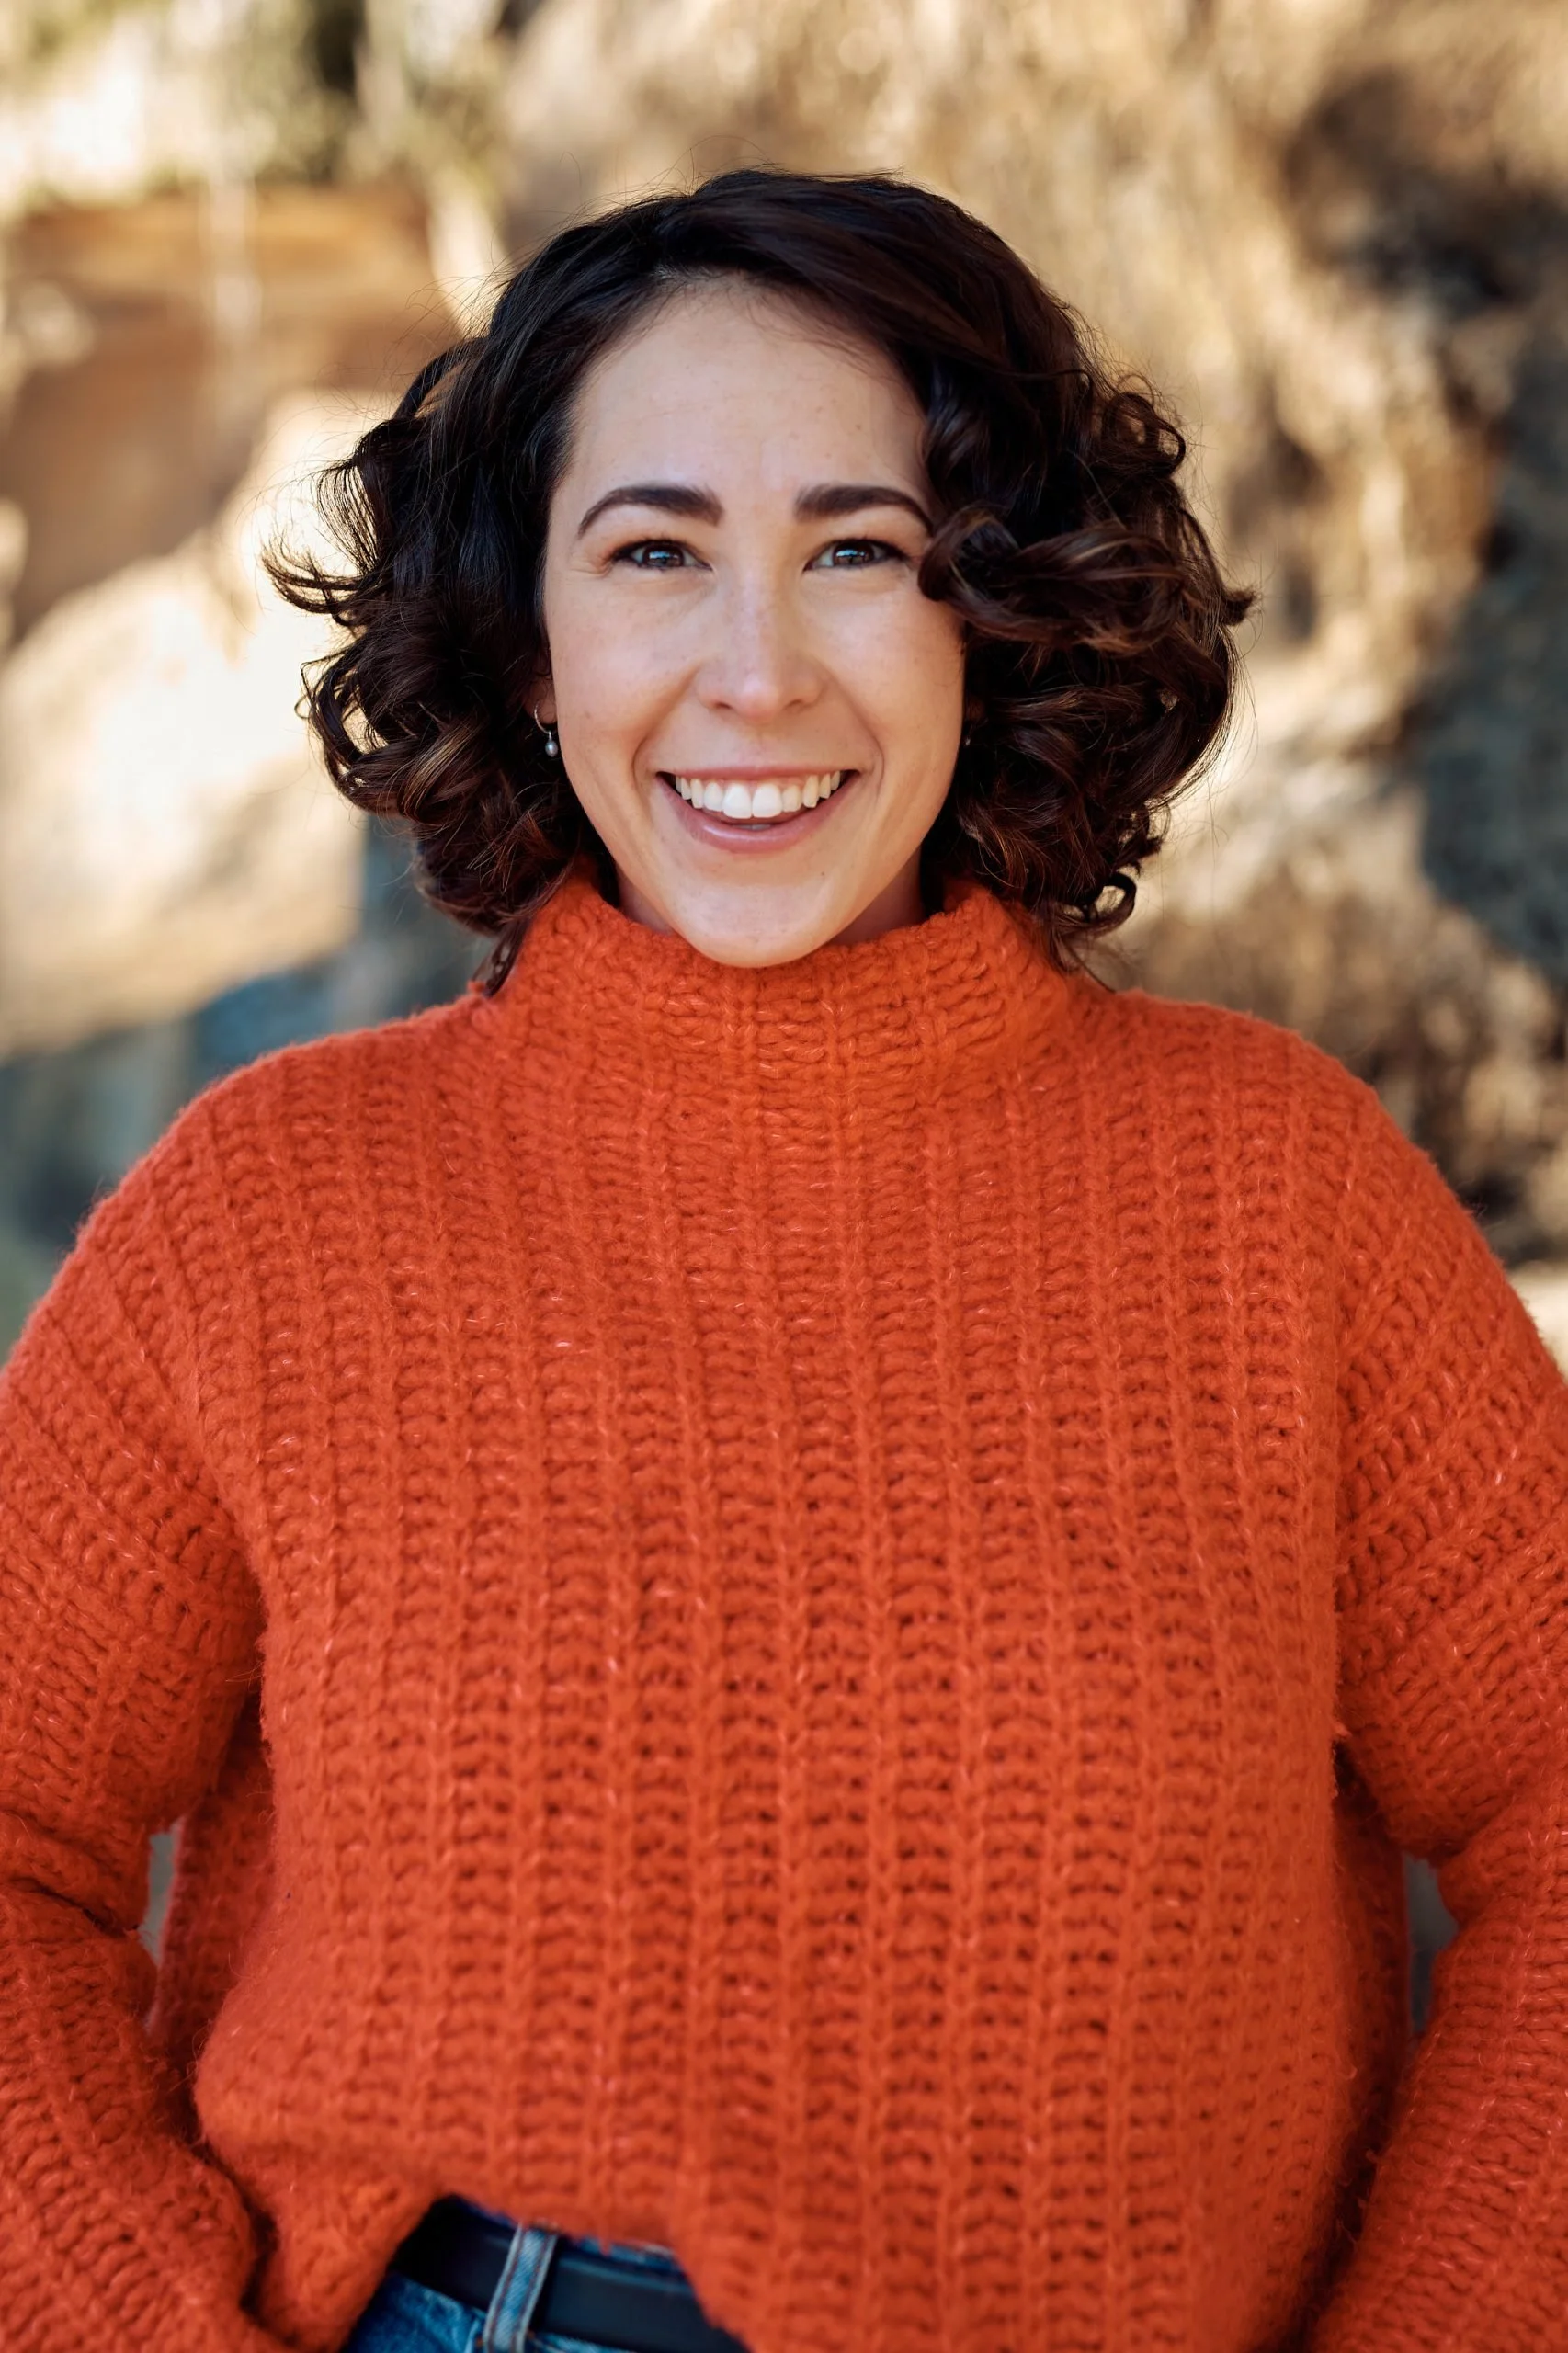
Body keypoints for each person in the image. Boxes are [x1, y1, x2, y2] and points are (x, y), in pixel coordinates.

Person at [1, 166, 1565, 2353]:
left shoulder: (1273, 1196)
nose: (758, 670)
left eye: (860, 550)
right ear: (529, 641)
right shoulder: (272, 1213)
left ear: (993, 612)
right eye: (655, 553)